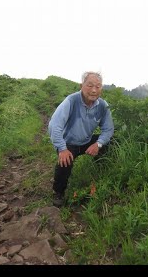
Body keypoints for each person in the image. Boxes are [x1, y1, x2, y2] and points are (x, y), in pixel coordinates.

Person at [48, 71, 114, 207]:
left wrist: (98, 144)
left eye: (98, 86)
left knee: (110, 143)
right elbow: (55, 126)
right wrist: (62, 148)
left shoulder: (102, 105)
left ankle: (102, 176)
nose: (94, 90)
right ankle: (58, 192)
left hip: (86, 141)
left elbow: (108, 129)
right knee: (65, 162)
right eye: (90, 85)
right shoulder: (71, 101)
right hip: (68, 143)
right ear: (81, 86)